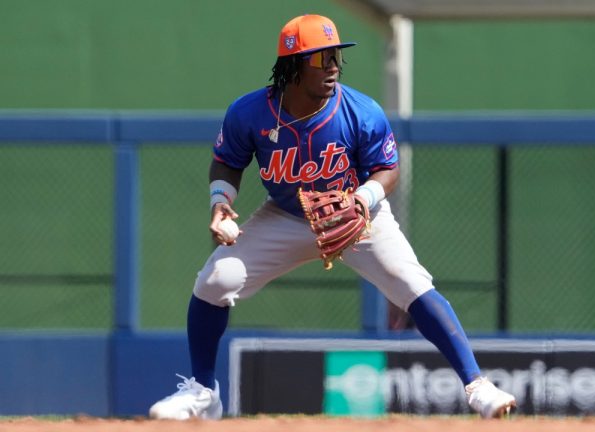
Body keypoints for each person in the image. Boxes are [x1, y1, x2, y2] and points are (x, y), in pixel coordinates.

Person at [148, 14, 516, 420]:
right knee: (215, 281)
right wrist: (221, 202)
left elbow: (388, 169)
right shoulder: (249, 112)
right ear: (293, 65)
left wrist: (363, 198)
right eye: (322, 58)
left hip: (359, 215)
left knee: (411, 283)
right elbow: (227, 162)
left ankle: (477, 385)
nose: (334, 66)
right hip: (286, 216)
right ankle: (203, 393)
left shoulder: (361, 110)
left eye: (336, 56)